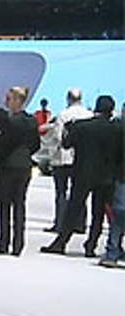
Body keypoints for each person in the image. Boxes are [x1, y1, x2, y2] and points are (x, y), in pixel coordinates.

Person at [42, 95, 120, 257]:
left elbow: (66, 144)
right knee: (98, 213)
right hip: (106, 176)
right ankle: (91, 245)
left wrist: (68, 130)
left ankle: (61, 242)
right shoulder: (116, 129)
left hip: (82, 173)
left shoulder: (82, 127)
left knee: (74, 209)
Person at [0, 86, 41, 256]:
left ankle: (4, 242)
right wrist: (26, 153)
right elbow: (37, 143)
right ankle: (18, 243)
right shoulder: (31, 121)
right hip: (24, 165)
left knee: (5, 204)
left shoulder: (9, 121)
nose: (6, 101)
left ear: (17, 100)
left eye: (9, 98)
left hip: (8, 165)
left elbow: (4, 144)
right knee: (20, 204)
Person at [44, 88, 93, 232]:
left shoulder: (63, 114)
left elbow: (59, 137)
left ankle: (61, 223)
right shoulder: (89, 115)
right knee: (79, 192)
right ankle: (80, 224)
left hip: (63, 158)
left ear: (68, 98)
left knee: (61, 192)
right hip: (81, 159)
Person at [99, 103, 125, 269]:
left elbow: (112, 155)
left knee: (118, 216)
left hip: (121, 177)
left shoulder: (118, 129)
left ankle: (112, 252)